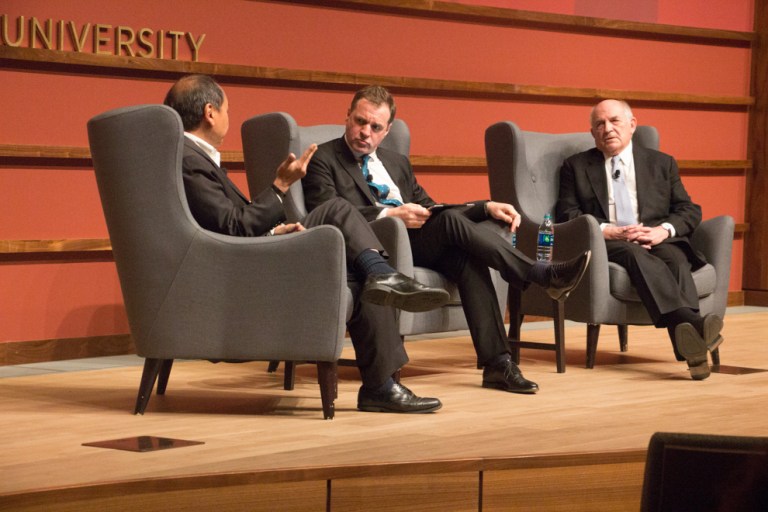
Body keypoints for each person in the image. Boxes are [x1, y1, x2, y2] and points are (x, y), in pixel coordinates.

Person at [164, 74, 452, 413]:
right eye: (227, 109)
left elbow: (229, 225)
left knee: (364, 280)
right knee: (336, 209)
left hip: (249, 253)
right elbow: (233, 226)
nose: (230, 115)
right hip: (239, 267)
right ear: (210, 112)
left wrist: (276, 232)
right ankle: (382, 280)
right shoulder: (188, 160)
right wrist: (280, 187)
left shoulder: (192, 157)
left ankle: (382, 384)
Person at [303, 85, 591, 395]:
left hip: (417, 241)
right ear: (347, 117)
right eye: (360, 122)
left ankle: (498, 364)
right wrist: (391, 216)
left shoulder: (397, 162)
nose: (365, 132)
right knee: (456, 233)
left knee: (467, 258)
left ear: (386, 131)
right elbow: (327, 210)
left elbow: (431, 207)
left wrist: (484, 207)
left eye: (375, 127)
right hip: (371, 244)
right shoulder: (324, 158)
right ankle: (538, 273)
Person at [556, 99, 724, 380]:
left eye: (614, 121)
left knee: (675, 259)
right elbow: (567, 212)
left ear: (632, 125)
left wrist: (664, 230)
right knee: (634, 255)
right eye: (599, 124)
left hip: (657, 238)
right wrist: (609, 230)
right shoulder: (576, 166)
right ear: (593, 133)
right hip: (610, 242)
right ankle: (696, 325)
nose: (607, 128)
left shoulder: (662, 163)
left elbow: (688, 209)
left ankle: (693, 350)